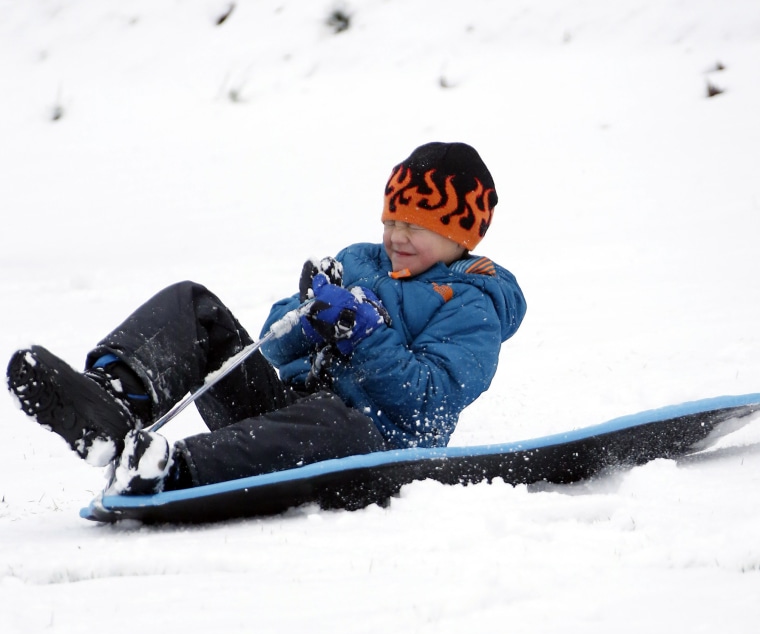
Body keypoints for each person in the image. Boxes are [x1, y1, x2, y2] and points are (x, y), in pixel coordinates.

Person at [7, 142, 527, 497]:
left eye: (415, 224)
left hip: (372, 449)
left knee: (335, 420)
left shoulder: (473, 304)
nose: (396, 236)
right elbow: (271, 346)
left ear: (462, 235)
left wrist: (366, 336)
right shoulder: (361, 260)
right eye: (391, 219)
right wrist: (312, 316)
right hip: (282, 420)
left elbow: (428, 403)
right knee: (196, 306)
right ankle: (113, 400)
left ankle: (172, 469)